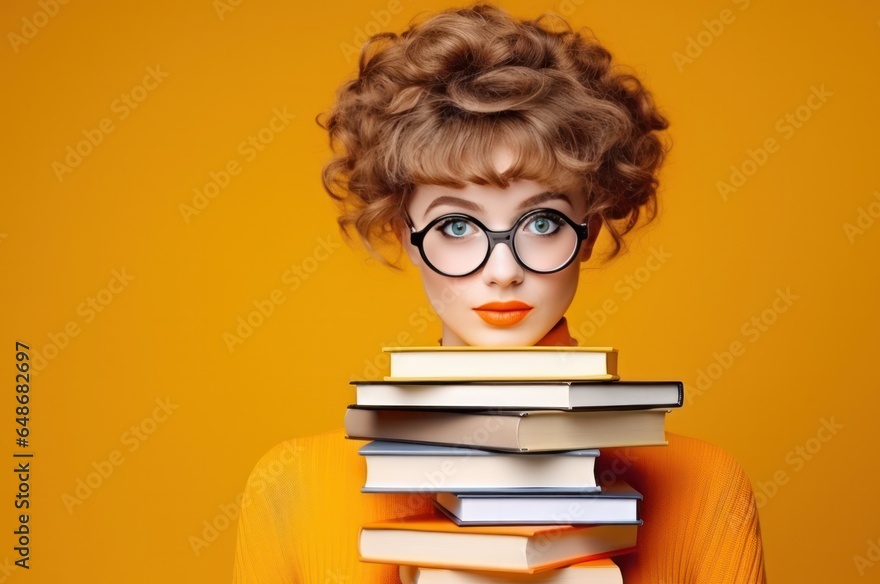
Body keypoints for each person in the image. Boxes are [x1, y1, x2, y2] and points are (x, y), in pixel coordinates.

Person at [232, 4, 766, 582]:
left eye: (542, 223)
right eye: (456, 227)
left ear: (589, 229)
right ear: (402, 234)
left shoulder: (704, 484)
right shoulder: (294, 486)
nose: (504, 270)